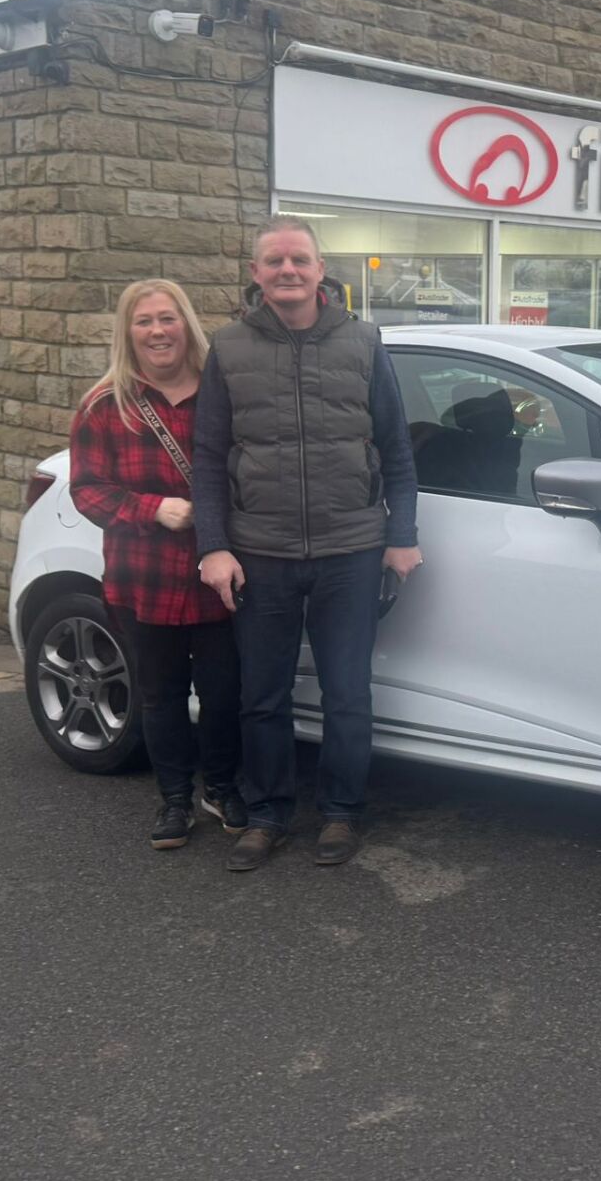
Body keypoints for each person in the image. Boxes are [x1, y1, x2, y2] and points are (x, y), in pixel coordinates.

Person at [195, 218, 421, 872]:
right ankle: (266, 815)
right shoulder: (229, 348)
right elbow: (208, 459)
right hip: (259, 553)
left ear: (322, 270)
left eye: (299, 259)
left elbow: (397, 450)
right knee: (261, 695)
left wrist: (400, 535)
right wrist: (215, 546)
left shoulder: (363, 341)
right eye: (274, 261)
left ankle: (342, 812)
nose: (287, 270)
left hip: (350, 550)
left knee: (347, 691)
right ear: (256, 273)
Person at [69, 279, 244, 851]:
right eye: (143, 322)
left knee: (223, 694)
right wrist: (152, 509)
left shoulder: (224, 395)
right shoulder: (104, 406)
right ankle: (174, 800)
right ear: (128, 334)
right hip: (141, 577)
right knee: (161, 697)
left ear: (185, 325)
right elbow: (86, 492)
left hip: (217, 577)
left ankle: (219, 788)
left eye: (167, 319)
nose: (157, 331)